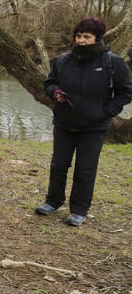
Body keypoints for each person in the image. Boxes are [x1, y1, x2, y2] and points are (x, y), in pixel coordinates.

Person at [34, 17, 132, 226]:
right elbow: (49, 83)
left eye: (86, 36)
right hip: (64, 123)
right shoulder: (63, 60)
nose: (81, 40)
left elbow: (125, 92)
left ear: (97, 38)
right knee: (59, 165)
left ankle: (78, 210)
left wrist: (107, 111)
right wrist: (56, 91)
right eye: (78, 36)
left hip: (94, 127)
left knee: (85, 169)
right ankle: (53, 201)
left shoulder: (112, 63)